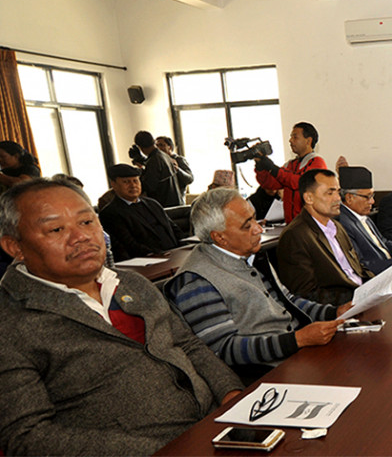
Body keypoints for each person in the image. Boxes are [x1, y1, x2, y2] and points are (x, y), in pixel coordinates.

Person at [0, 178, 243, 455]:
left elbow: (187, 345)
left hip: (215, 427)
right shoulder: (10, 323)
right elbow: (27, 436)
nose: (81, 236)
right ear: (15, 247)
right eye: (56, 229)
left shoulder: (131, 283)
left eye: (87, 222)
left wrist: (232, 394)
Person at [167, 188, 348, 381]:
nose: (258, 229)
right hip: (265, 374)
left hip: (296, 354)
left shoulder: (248, 256)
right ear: (219, 237)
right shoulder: (196, 282)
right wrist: (298, 340)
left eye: (254, 218)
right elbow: (224, 349)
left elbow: (288, 301)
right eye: (247, 226)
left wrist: (334, 312)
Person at [277, 169, 373, 306]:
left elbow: (357, 269)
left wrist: (377, 284)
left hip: (364, 296)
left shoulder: (336, 226)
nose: (338, 198)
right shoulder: (295, 236)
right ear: (309, 198)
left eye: (338, 192)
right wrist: (356, 298)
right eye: (330, 193)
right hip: (341, 308)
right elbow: (305, 293)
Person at [337, 166, 392, 274]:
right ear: (349, 198)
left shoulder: (364, 217)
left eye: (372, 195)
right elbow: (360, 266)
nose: (372, 201)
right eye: (367, 197)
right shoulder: (343, 224)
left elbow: (382, 242)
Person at [98, 164, 187, 261]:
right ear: (113, 184)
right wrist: (159, 255)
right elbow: (129, 245)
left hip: (176, 254)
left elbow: (174, 228)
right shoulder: (110, 213)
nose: (133, 185)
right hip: (151, 261)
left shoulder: (153, 203)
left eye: (135, 181)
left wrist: (187, 244)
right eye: (126, 182)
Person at [254, 121, 328, 223]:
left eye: (295, 137)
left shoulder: (317, 162)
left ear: (308, 141)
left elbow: (299, 182)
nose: (290, 140)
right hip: (292, 224)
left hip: (310, 225)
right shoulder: (290, 164)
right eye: (291, 137)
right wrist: (260, 166)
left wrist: (273, 168)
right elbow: (270, 184)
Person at [131, 130, 183, 207]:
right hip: (176, 202)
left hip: (165, 205)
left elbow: (150, 186)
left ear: (140, 147)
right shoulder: (164, 155)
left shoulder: (153, 161)